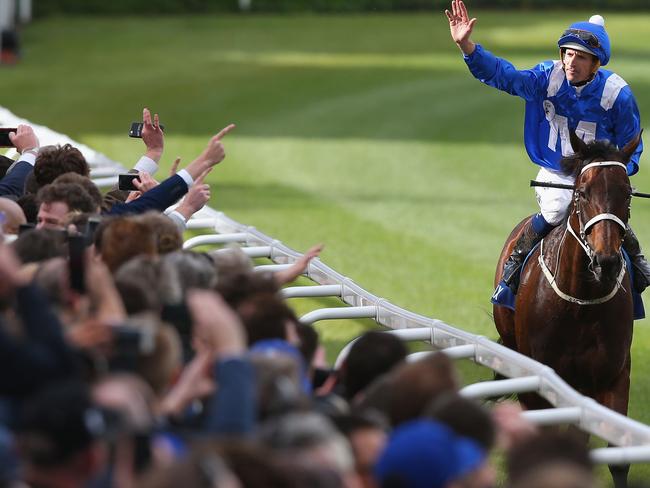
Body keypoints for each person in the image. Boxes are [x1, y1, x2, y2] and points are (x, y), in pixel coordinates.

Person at [445, 0, 649, 302]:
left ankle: (637, 265)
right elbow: (506, 76)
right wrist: (468, 47)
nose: (570, 62)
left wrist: (616, 173)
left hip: (599, 174)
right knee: (556, 209)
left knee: (608, 213)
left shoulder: (617, 94)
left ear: (597, 63)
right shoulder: (546, 78)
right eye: (567, 53)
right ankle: (514, 268)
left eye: (581, 57)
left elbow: (632, 145)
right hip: (557, 172)